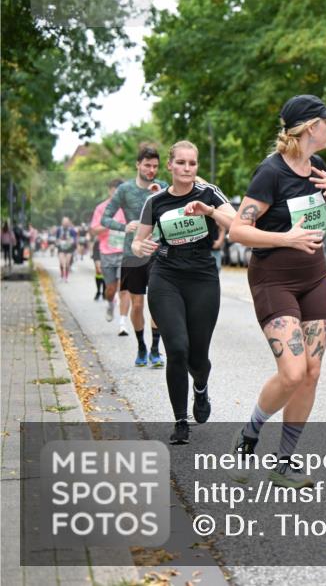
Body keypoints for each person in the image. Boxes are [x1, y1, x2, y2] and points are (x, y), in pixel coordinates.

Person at [228, 94, 326, 487]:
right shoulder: (271, 173)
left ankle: (285, 462)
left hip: (314, 277)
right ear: (311, 128)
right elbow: (238, 230)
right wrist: (287, 238)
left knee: (312, 373)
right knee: (293, 371)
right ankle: (248, 434)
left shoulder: (318, 168)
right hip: (273, 279)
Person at [132, 141, 236, 445]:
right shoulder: (156, 201)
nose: (187, 169)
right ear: (170, 166)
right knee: (176, 348)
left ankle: (200, 387)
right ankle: (180, 422)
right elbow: (138, 242)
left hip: (202, 277)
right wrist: (140, 246)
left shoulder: (209, 193)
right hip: (166, 275)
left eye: (192, 163)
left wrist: (210, 211)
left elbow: (239, 224)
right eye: (181, 163)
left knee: (198, 356)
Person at [103, 145, 169, 367]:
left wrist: (159, 195)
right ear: (138, 165)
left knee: (158, 303)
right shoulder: (124, 190)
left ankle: (155, 349)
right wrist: (124, 226)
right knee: (138, 304)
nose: (151, 170)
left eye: (155, 166)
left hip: (158, 252)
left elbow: (172, 212)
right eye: (147, 165)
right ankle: (141, 346)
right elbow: (105, 218)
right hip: (132, 253)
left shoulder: (163, 187)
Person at [91, 179, 132, 331]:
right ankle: (110, 303)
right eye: (115, 190)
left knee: (124, 287)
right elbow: (94, 229)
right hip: (107, 252)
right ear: (110, 191)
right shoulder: (102, 208)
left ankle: (122, 323)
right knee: (110, 289)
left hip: (125, 252)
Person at [54, 217, 78, 281]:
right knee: (62, 262)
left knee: (67, 263)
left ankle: (66, 277)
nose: (65, 223)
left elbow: (75, 238)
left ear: (68, 222)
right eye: (64, 222)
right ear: (62, 222)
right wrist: (58, 242)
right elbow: (56, 238)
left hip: (69, 248)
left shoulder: (72, 230)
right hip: (61, 247)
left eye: (67, 222)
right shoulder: (59, 229)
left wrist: (72, 241)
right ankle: (62, 276)